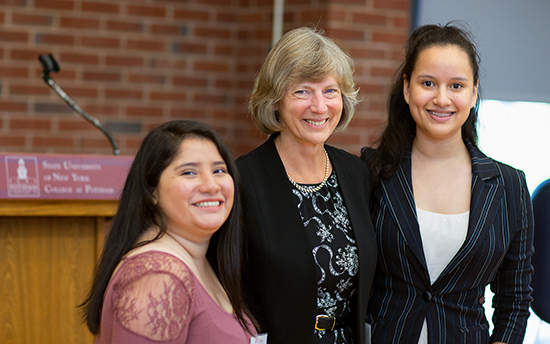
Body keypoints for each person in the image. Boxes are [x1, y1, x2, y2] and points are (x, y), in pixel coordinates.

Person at [361, 23, 534, 344]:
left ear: (473, 92)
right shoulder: (370, 171)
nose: (441, 99)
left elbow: (515, 298)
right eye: (428, 83)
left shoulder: (508, 184)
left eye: (456, 85)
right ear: (407, 88)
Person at [237, 26, 378, 344]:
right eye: (302, 91)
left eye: (330, 91)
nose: (319, 106)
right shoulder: (245, 180)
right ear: (276, 100)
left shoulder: (356, 173)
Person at [81, 120, 258, 343]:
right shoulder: (158, 277)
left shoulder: (202, 262)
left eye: (219, 170)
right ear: (151, 191)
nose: (211, 185)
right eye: (189, 172)